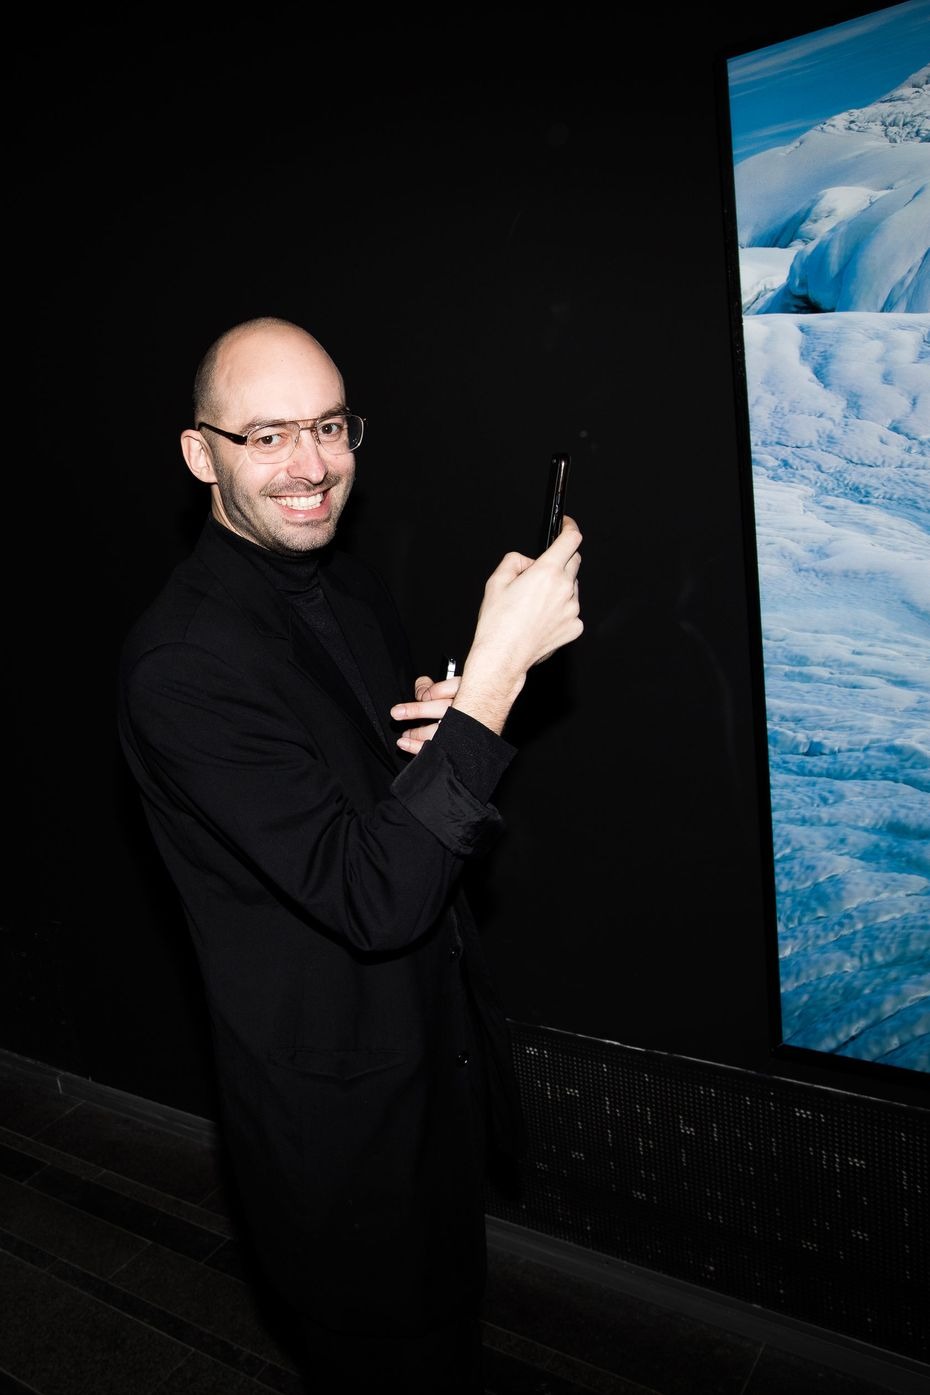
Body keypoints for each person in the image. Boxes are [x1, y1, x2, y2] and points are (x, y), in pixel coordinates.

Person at [117, 316, 583, 1393]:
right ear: (201, 455)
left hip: (433, 1069)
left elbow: (377, 819)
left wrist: (440, 733)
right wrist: (497, 686)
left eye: (329, 427)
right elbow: (373, 897)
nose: (313, 465)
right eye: (268, 436)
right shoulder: (181, 665)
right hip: (340, 1132)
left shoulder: (348, 584)